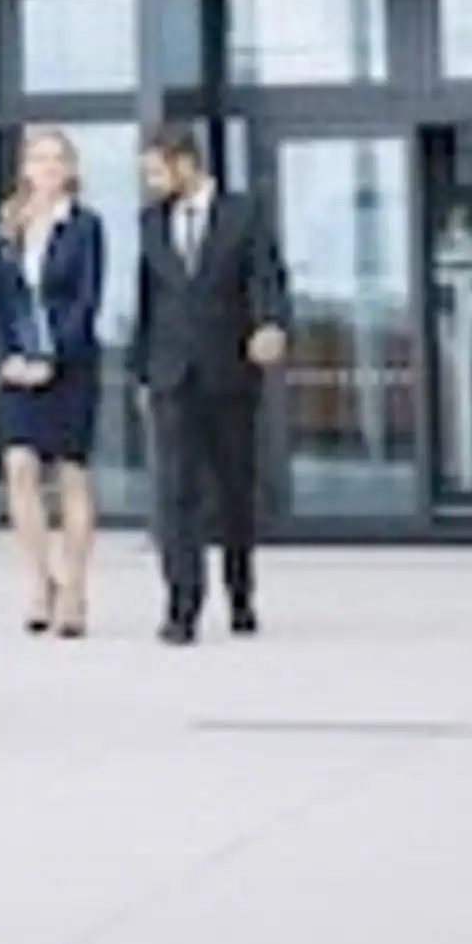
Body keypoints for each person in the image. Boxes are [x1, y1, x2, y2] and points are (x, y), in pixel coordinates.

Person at [136, 126, 289, 645]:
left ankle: (240, 591)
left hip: (229, 370)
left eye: (157, 170)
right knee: (174, 491)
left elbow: (266, 277)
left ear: (185, 163)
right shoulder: (151, 223)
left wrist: (269, 324)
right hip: (172, 371)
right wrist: (143, 369)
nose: (151, 182)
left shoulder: (242, 213)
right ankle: (181, 605)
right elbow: (148, 300)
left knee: (233, 488)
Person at [0, 126, 104, 638]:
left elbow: (87, 297)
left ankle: (74, 589)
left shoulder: (85, 227)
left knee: (70, 474)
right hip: (17, 367)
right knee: (19, 466)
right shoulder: (8, 225)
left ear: (71, 170)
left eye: (57, 160)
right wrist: (7, 356)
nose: (47, 168)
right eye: (38, 159)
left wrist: (53, 357)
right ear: (25, 169)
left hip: (68, 366)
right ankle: (39, 584)